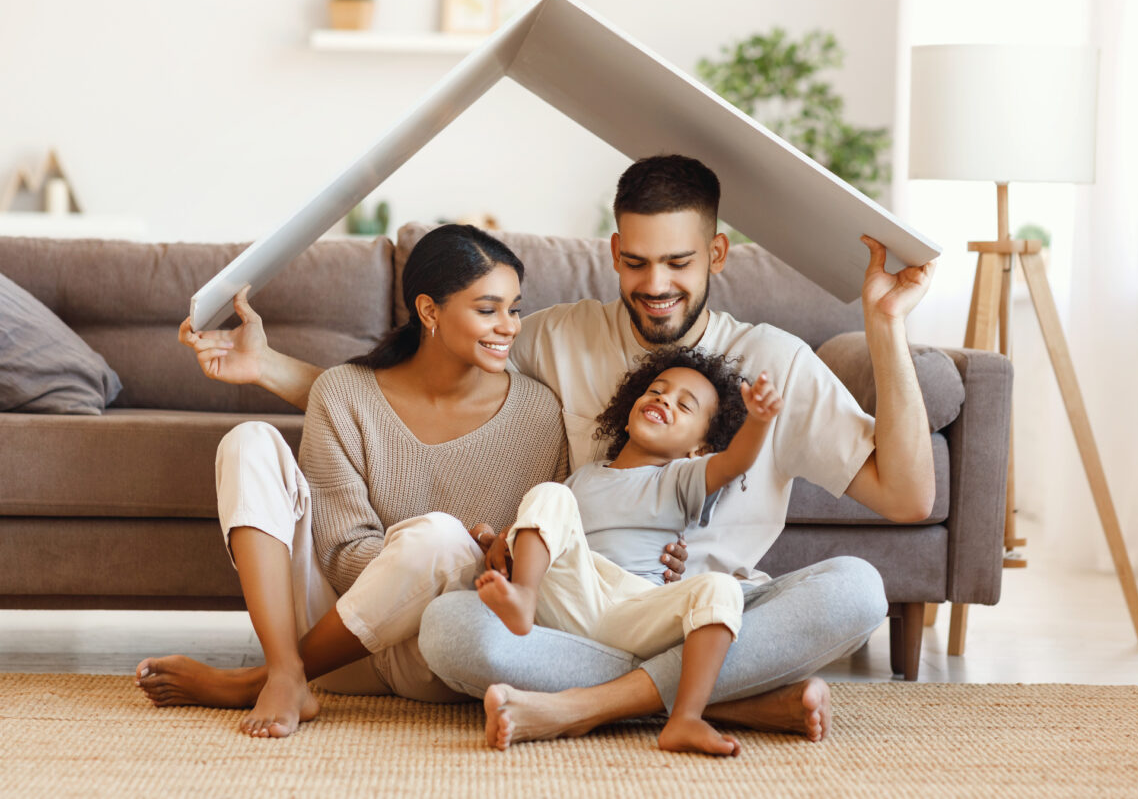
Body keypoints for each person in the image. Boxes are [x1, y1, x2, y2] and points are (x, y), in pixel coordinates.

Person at [172, 154, 936, 747]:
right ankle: (717, 699)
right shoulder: (556, 336)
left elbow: (906, 498)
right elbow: (415, 385)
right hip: (574, 617)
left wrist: (885, 326)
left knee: (856, 591)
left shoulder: (775, 362)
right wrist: (268, 369)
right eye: (636, 262)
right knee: (451, 630)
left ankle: (589, 707)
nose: (656, 284)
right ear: (613, 250)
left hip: (711, 613)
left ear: (719, 254)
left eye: (678, 262)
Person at [134, 224, 567, 738]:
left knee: (440, 539)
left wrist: (480, 555)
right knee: (248, 441)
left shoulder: (538, 411)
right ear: (429, 311)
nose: (509, 327)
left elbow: (538, 550)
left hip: (440, 648)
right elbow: (339, 553)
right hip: (339, 639)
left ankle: (264, 679)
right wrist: (410, 560)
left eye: (514, 308)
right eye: (487, 309)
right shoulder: (343, 392)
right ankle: (285, 667)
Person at [476, 348, 782, 755]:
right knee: (549, 494)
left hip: (633, 607)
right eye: (656, 391)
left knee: (721, 589)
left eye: (683, 405)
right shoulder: (582, 477)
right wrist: (494, 540)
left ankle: (686, 718)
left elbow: (734, 463)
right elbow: (546, 529)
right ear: (629, 410)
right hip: (572, 597)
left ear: (699, 448)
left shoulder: (679, 479)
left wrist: (759, 421)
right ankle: (523, 598)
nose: (663, 400)